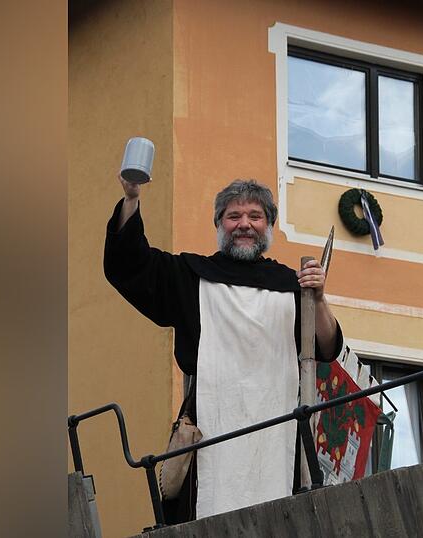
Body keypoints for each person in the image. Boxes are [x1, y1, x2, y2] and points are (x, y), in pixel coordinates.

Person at [104, 175, 342, 523]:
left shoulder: (294, 286)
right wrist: (131, 199)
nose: (244, 224)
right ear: (219, 224)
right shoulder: (189, 275)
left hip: (279, 434)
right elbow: (130, 264)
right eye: (233, 216)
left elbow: (326, 346)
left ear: (269, 225)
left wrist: (318, 298)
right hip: (208, 428)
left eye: (255, 216)